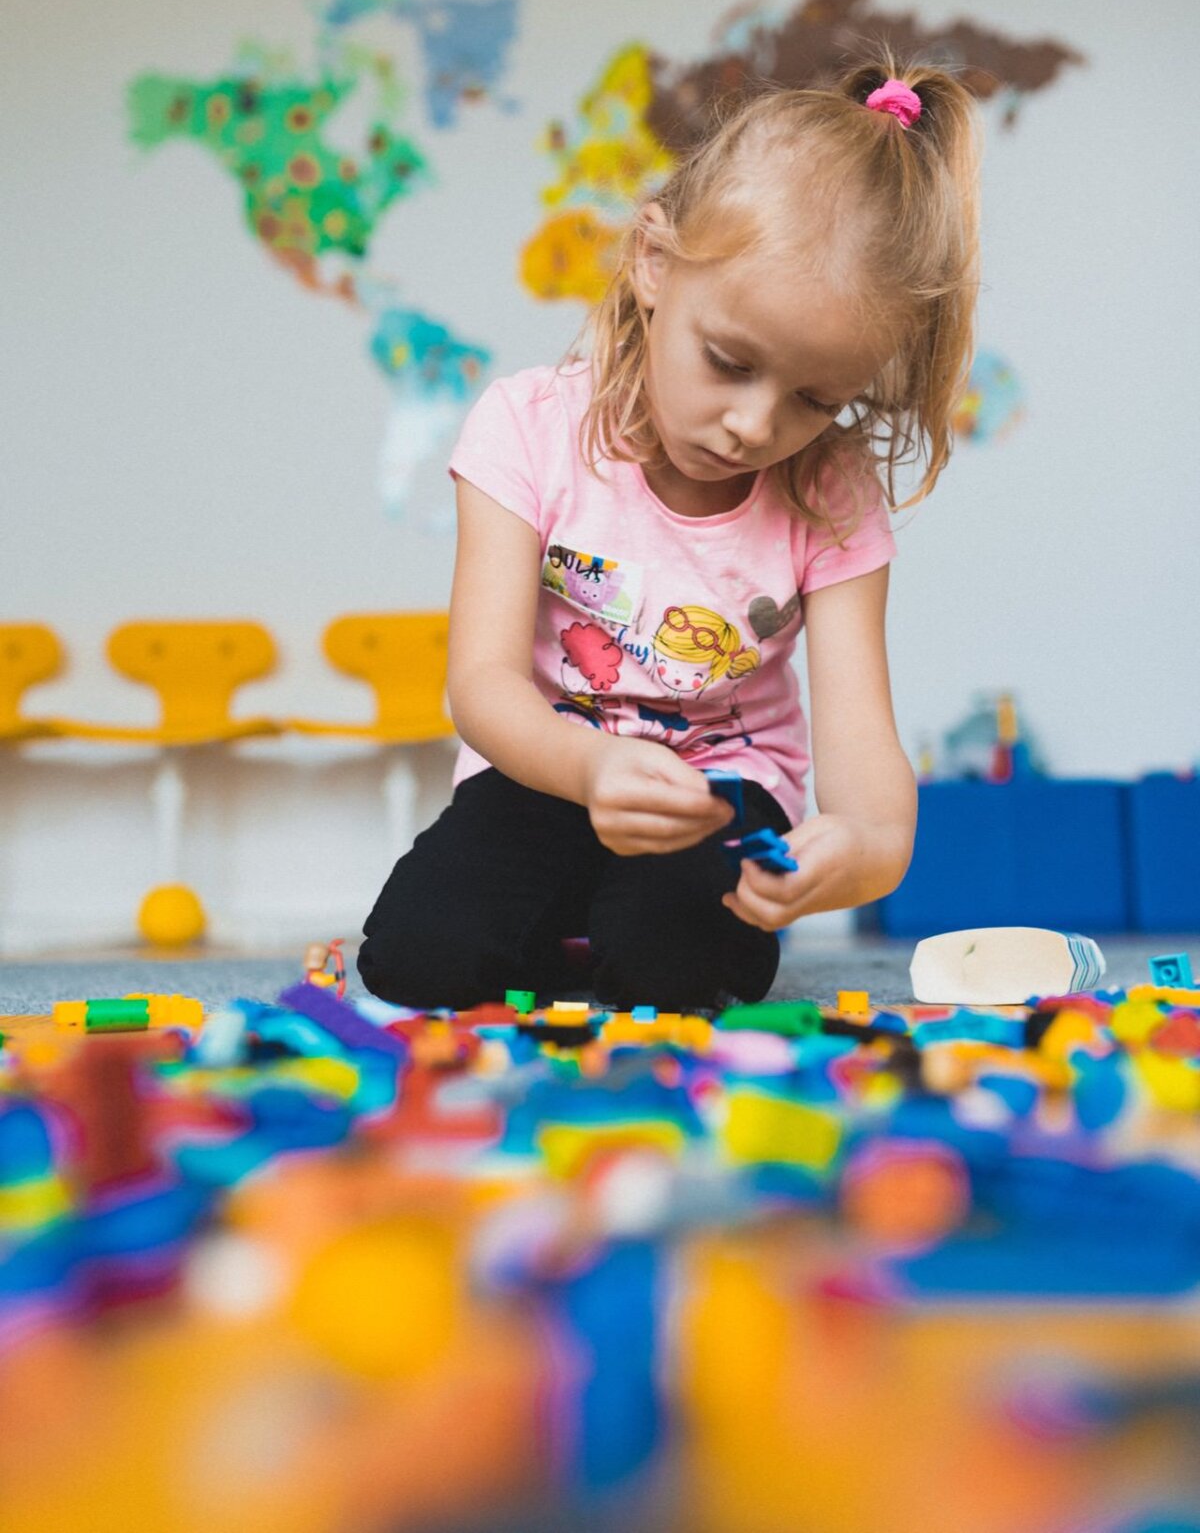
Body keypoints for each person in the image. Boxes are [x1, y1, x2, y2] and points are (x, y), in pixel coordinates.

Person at [359, 51, 983, 1011]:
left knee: (676, 966)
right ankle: (579, 924)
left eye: (815, 399)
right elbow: (482, 684)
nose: (754, 425)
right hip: (548, 768)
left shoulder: (834, 490)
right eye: (729, 362)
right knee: (416, 958)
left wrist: (865, 847)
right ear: (655, 264)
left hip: (720, 798)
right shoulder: (526, 426)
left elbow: (862, 741)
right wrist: (592, 764)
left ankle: (601, 933)